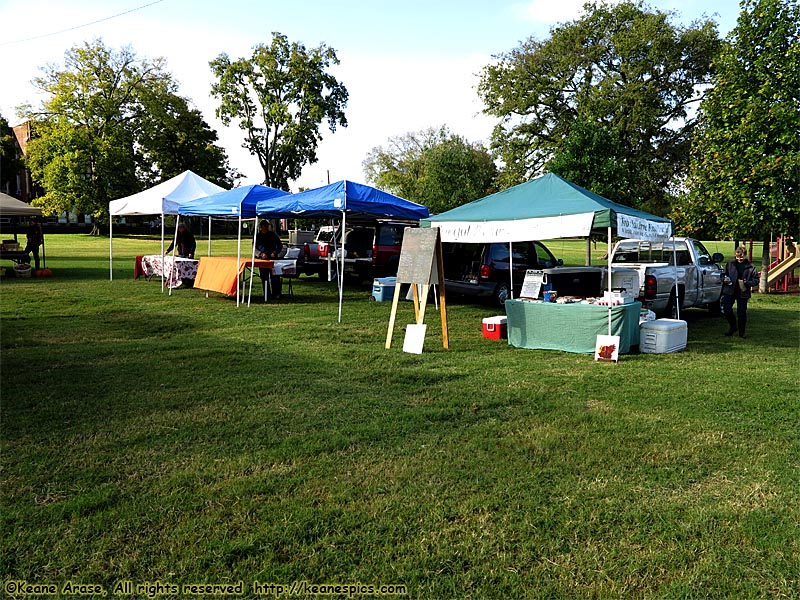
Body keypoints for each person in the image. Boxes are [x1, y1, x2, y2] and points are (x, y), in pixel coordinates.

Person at [721, 246, 759, 338]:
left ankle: (742, 332)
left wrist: (747, 283)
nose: (739, 259)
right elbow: (723, 274)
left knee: (741, 313)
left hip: (743, 292)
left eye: (742, 257)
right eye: (738, 257)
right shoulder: (730, 263)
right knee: (726, 309)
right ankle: (733, 327)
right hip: (730, 290)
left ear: (745, 256)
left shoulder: (751, 267)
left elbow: (756, 280)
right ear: (735, 255)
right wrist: (724, 279)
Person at [255, 220, 283, 298]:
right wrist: (260, 254)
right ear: (261, 227)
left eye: (267, 226)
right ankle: (267, 294)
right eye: (265, 226)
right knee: (264, 277)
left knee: (275, 277)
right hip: (263, 260)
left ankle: (276, 293)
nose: (266, 228)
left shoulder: (272, 235)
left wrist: (275, 252)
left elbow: (279, 245)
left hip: (273, 259)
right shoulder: (257, 236)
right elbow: (254, 248)